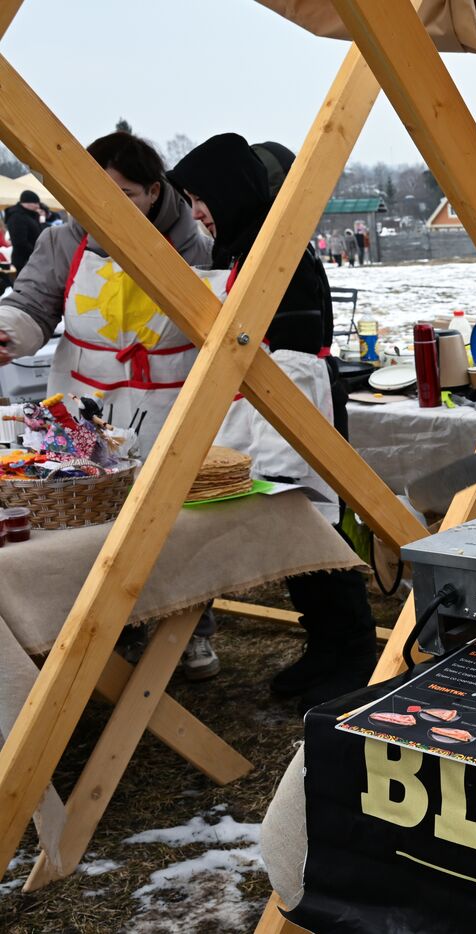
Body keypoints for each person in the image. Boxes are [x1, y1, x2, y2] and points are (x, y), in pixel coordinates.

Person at [0, 132, 224, 679]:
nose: (103, 205)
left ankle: (191, 630)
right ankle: (119, 627)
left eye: (122, 194)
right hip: (87, 402)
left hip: (171, 399)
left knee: (174, 519)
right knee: (93, 521)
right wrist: (8, 335)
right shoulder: (62, 240)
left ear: (152, 191)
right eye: (93, 191)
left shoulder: (197, 241)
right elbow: (31, 302)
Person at [169, 133, 377, 711]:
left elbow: (297, 347)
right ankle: (324, 641)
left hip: (297, 409)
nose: (195, 211)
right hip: (265, 409)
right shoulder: (241, 247)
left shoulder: (280, 251)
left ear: (229, 190)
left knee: (313, 529)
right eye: (187, 199)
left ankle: (354, 649)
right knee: (289, 535)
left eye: (199, 197)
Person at [3, 190, 44, 274]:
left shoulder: (29, 215)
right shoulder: (17, 217)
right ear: (27, 203)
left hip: (33, 259)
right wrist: (36, 253)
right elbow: (20, 242)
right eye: (36, 203)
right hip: (25, 260)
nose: (38, 206)